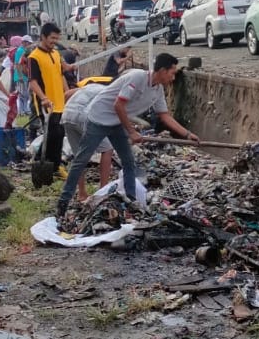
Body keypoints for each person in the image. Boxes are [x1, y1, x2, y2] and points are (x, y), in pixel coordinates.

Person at [56, 53, 200, 216]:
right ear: (162, 70)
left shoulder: (157, 90)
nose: (173, 78)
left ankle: (131, 201)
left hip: (116, 122)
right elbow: (118, 105)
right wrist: (131, 131)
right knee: (81, 159)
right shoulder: (137, 77)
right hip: (98, 118)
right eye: (172, 73)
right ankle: (63, 202)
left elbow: (165, 116)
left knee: (128, 161)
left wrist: (187, 134)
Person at [61, 82, 114, 202]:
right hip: (84, 117)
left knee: (79, 155)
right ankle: (102, 192)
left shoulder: (89, 87)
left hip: (67, 115)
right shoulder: (111, 92)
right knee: (107, 149)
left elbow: (67, 94)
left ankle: (81, 193)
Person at [28, 24, 69, 172]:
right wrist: (43, 98)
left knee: (59, 133)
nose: (55, 41)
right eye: (52, 38)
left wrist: (67, 92)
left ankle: (52, 165)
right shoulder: (34, 57)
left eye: (57, 38)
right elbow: (33, 82)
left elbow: (60, 75)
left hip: (59, 101)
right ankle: (45, 163)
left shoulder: (56, 54)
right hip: (45, 103)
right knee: (53, 133)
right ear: (43, 37)